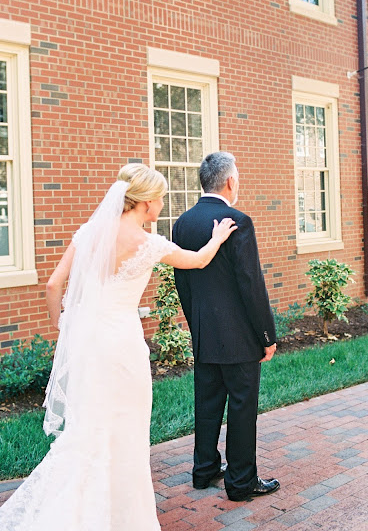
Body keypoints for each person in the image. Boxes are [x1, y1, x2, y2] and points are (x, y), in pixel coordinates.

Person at [0, 163, 237, 531]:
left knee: (89, 425)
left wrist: (63, 326)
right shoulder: (149, 244)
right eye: (161, 199)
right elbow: (198, 260)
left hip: (88, 343)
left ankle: (76, 510)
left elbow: (52, 285)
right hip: (123, 347)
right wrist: (218, 237)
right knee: (126, 430)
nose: (162, 205)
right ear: (146, 203)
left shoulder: (88, 233)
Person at [173, 151, 280, 502]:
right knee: (241, 408)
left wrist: (197, 326)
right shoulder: (238, 221)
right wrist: (267, 335)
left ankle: (204, 470)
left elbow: (183, 283)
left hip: (204, 333)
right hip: (239, 339)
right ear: (231, 181)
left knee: (207, 404)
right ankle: (241, 482)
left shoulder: (183, 223)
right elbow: (251, 284)